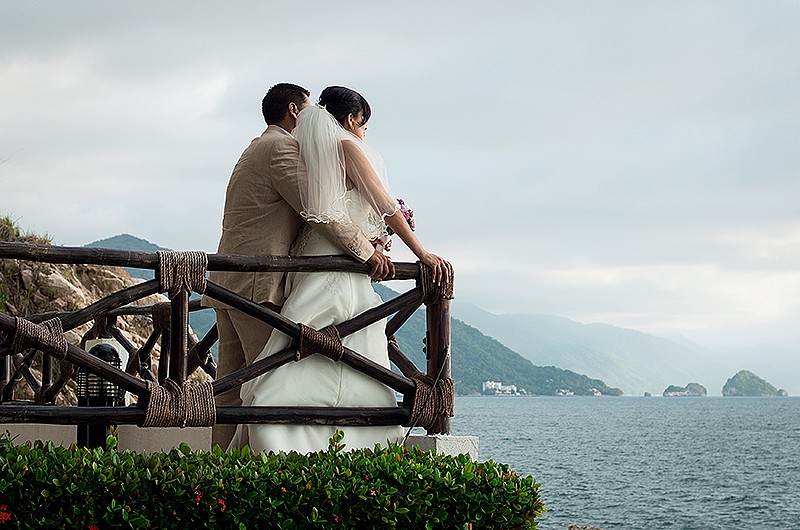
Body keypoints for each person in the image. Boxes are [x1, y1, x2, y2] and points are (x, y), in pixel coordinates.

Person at [233, 86, 452, 454]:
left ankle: (281, 439)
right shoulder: (347, 148)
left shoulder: (314, 153)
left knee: (306, 341)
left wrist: (370, 240)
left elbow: (328, 208)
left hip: (315, 256)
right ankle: (335, 437)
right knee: (334, 344)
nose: (365, 132)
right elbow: (382, 205)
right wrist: (419, 251)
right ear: (351, 119)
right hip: (336, 258)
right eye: (364, 123)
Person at [202, 83, 394, 449]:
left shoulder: (255, 146)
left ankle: (220, 475)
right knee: (267, 385)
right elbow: (321, 211)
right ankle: (260, 477)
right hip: (257, 284)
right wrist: (368, 253)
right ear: (293, 110)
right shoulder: (281, 148)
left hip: (228, 282)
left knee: (231, 391)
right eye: (308, 109)